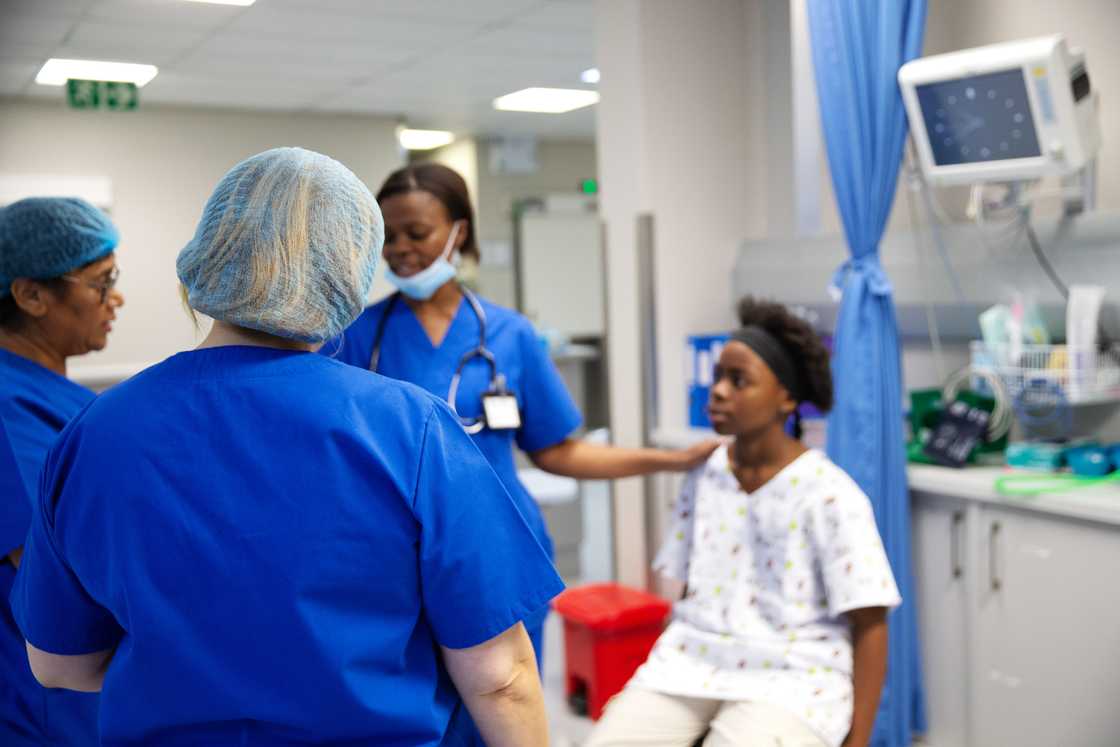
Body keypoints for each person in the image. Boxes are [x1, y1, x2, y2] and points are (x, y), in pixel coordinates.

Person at [9, 148, 561, 747]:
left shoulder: (95, 433)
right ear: (346, 271)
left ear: (207, 258)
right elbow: (501, 676)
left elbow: (58, 664)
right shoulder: (409, 426)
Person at [328, 162, 721, 663]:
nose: (401, 249)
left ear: (459, 232)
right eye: (391, 235)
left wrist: (668, 461)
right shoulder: (358, 337)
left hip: (500, 547)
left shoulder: (508, 334)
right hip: (400, 550)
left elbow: (558, 451)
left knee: (508, 710)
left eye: (418, 233)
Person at [585, 298, 900, 747]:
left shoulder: (829, 493)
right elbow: (692, 587)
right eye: (717, 377)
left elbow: (871, 623)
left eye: (739, 381)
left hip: (792, 675)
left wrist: (858, 741)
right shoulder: (705, 473)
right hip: (691, 663)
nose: (718, 391)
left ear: (785, 399)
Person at [0, 196, 124, 746]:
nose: (115, 298)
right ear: (30, 294)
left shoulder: (58, 395)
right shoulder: (7, 407)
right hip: (41, 706)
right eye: (101, 282)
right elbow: (52, 569)